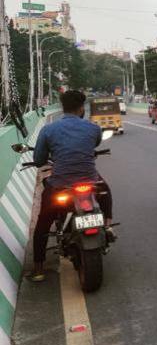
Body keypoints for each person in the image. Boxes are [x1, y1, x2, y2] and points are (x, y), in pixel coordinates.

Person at [30, 90, 115, 282]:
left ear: (62, 107)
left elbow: (39, 160)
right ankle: (108, 224)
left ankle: (38, 268)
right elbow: (93, 145)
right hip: (89, 181)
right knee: (106, 191)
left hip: (61, 183)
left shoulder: (48, 130)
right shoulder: (93, 128)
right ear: (81, 108)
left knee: (43, 222)